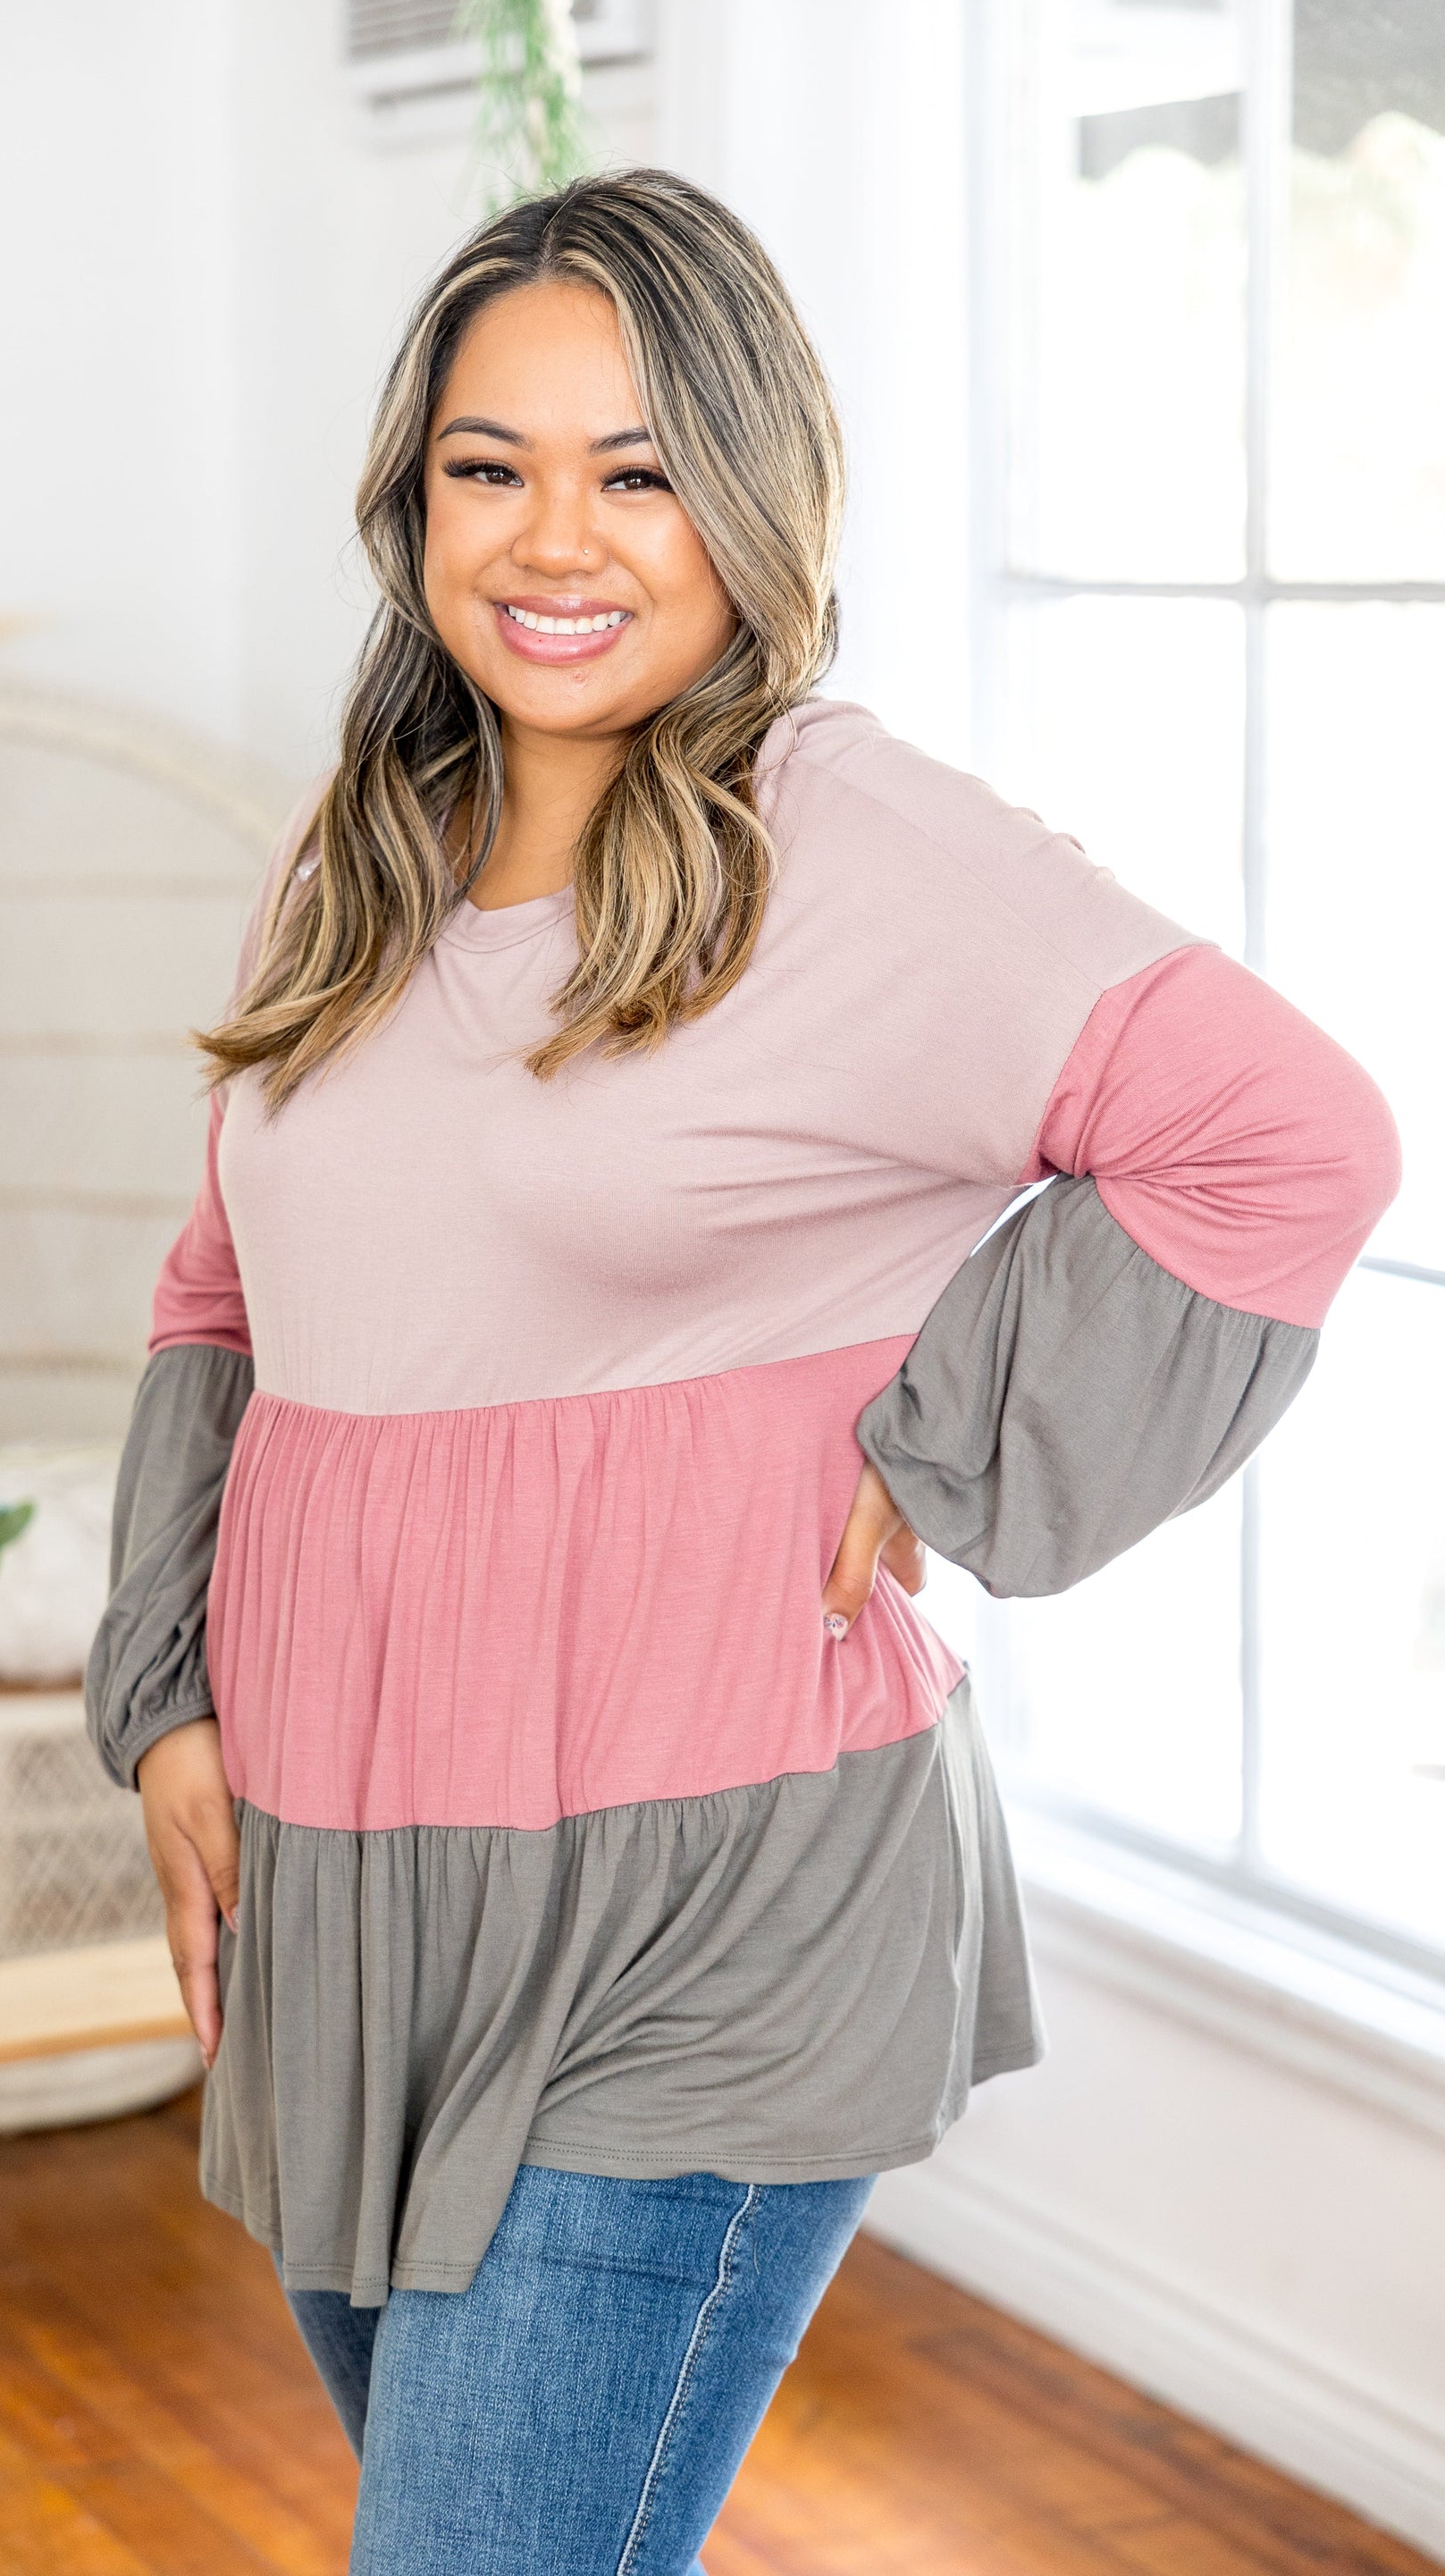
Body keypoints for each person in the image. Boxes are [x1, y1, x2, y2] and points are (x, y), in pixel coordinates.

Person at [87, 168, 1398, 2572]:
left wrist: (957, 1436)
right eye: (489, 466)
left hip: (712, 1905)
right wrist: (169, 1701)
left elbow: (1282, 1136)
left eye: (640, 469)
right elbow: (222, 1297)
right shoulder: (359, 848)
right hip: (350, 1895)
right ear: (410, 502)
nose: (553, 540)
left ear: (752, 497)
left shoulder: (855, 842)